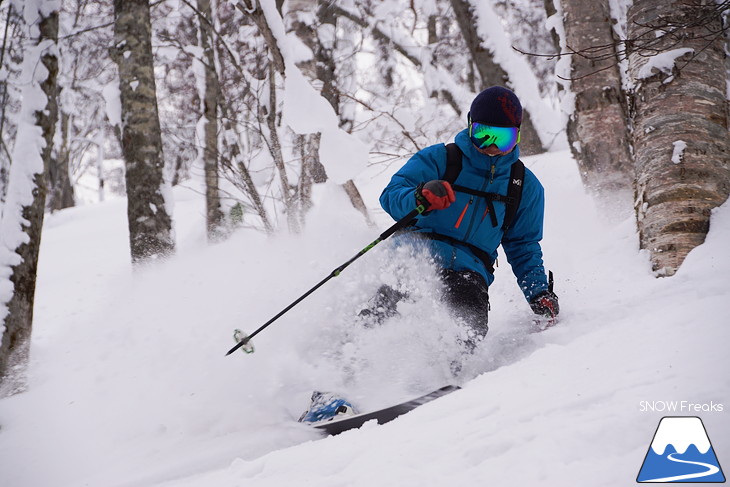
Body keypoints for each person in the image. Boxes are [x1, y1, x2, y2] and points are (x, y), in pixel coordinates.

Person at [364, 86, 559, 347]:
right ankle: (348, 371)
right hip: (416, 255)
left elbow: (523, 245)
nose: (491, 147)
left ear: (517, 136)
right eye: (483, 135)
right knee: (388, 310)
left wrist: (537, 291)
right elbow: (391, 195)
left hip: (470, 271)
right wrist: (420, 196)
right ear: (470, 127)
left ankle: (444, 373)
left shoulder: (522, 185)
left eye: (502, 138)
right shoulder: (441, 159)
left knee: (466, 326)